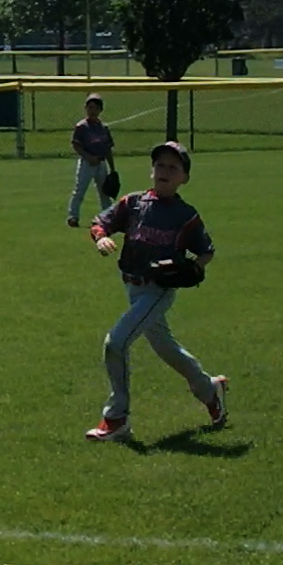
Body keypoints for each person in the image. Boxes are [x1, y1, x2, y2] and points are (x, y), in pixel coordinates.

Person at [82, 142, 227, 443]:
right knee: (167, 349)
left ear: (184, 178)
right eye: (160, 165)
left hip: (159, 291)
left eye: (173, 167)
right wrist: (100, 239)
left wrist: (194, 268)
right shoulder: (133, 203)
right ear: (152, 170)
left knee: (116, 342)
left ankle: (116, 419)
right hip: (132, 287)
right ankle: (210, 390)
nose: (164, 171)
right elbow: (100, 222)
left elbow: (206, 251)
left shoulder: (186, 216)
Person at [66, 93, 115, 228]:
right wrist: (88, 158)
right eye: (90, 107)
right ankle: (73, 217)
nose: (92, 111)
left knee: (104, 192)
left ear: (100, 110)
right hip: (86, 163)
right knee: (79, 190)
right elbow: (76, 145)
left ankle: (107, 217)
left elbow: (108, 148)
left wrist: (112, 168)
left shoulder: (104, 128)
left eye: (95, 108)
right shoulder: (81, 127)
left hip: (101, 163)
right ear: (86, 108)